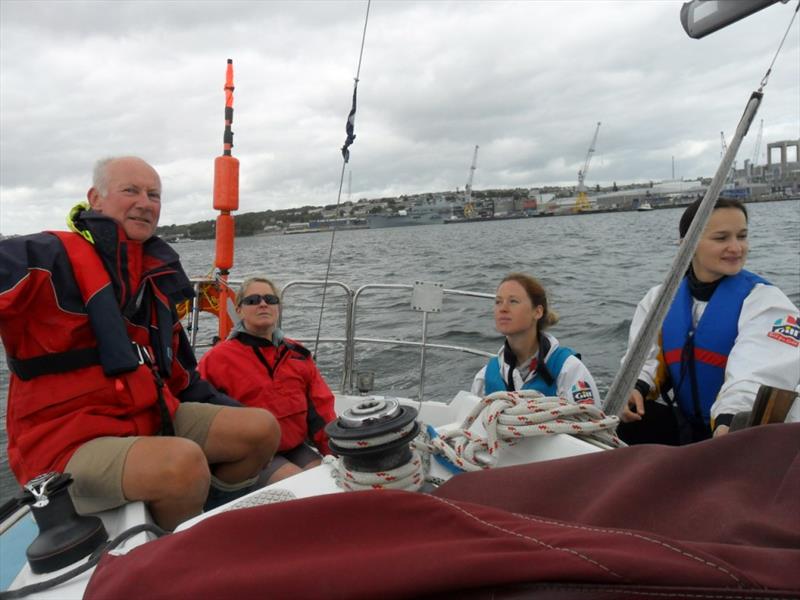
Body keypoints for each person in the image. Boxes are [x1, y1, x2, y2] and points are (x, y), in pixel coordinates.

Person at [0, 156, 281, 530]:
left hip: (149, 416)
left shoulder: (156, 280)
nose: (145, 203)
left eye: (154, 195)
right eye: (129, 190)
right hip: (66, 440)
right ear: (94, 198)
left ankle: (208, 519)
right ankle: (169, 559)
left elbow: (183, 379)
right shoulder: (42, 258)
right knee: (181, 465)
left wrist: (237, 413)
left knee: (260, 430)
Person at [618, 198, 800, 445]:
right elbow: (645, 360)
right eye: (721, 238)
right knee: (624, 422)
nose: (736, 248)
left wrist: (730, 421)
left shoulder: (766, 303)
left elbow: (754, 375)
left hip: (738, 432)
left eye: (742, 236)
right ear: (687, 245)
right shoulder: (658, 301)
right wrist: (635, 388)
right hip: (688, 428)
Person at [199, 277, 337, 484]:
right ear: (239, 310)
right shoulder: (216, 359)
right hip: (252, 453)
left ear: (278, 308)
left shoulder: (297, 354)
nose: (263, 304)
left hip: (294, 446)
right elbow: (201, 415)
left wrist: (335, 453)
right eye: (253, 300)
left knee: (331, 478)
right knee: (300, 485)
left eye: (270, 299)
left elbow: (321, 410)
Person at [471, 273, 601, 406]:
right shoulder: (485, 378)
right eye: (498, 302)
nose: (503, 309)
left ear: (537, 312)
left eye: (513, 301)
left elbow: (591, 421)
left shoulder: (569, 370)